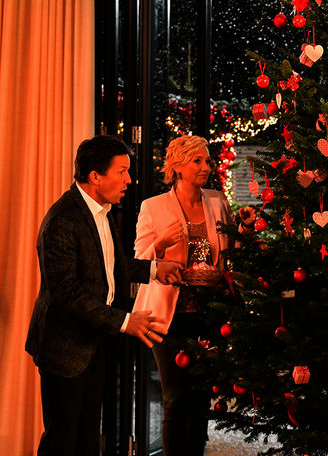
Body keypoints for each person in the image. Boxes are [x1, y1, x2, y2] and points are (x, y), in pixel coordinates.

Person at [25, 135, 182, 456]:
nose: (129, 179)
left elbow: (112, 263)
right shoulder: (62, 220)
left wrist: (155, 269)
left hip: (95, 341)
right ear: (95, 177)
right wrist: (126, 321)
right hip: (64, 347)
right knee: (61, 441)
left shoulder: (102, 210)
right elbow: (66, 293)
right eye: (122, 171)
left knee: (86, 439)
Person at [133, 135, 234, 456]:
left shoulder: (217, 202)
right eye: (198, 161)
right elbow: (139, 261)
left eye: (207, 160)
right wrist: (161, 243)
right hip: (168, 315)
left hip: (209, 314)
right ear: (177, 166)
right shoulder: (153, 206)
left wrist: (243, 230)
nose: (207, 167)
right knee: (175, 399)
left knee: (202, 399)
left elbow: (230, 249)